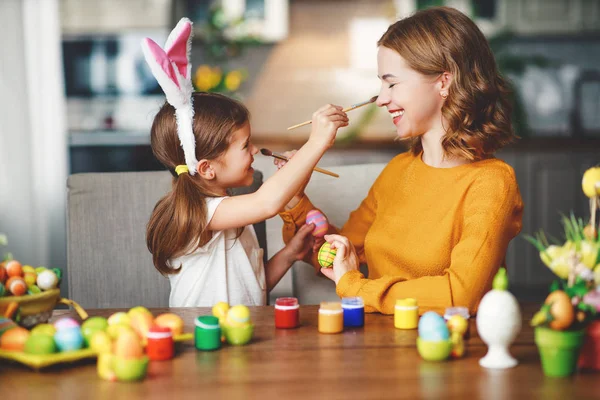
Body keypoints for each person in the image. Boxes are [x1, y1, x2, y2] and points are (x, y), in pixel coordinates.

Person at [275, 6, 524, 315]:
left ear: (444, 82)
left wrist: (355, 286)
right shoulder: (398, 170)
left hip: (452, 351)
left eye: (392, 83)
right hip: (380, 344)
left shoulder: (492, 182)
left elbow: (460, 294)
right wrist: (295, 199)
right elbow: (338, 253)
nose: (381, 98)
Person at [142, 19, 348, 306]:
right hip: (202, 338)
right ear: (207, 168)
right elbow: (267, 203)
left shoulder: (228, 210)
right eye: (244, 145)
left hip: (241, 333)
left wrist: (290, 253)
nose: (254, 151)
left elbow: (253, 287)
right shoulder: (202, 213)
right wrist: (317, 143)